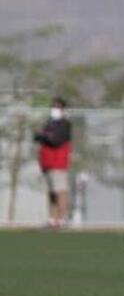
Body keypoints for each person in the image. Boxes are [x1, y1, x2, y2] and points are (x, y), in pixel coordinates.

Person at [33, 97, 72, 228]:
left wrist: (44, 136)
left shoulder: (64, 124)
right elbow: (38, 137)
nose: (55, 110)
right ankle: (52, 219)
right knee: (51, 192)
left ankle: (62, 219)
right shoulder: (49, 123)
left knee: (60, 191)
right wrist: (43, 135)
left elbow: (56, 140)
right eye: (53, 107)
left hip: (58, 163)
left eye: (58, 107)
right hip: (47, 163)